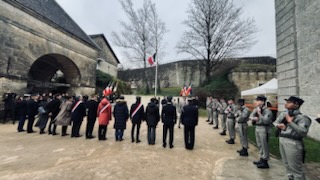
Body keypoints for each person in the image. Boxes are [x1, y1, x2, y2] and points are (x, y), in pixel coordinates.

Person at [273, 96, 311, 180]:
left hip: (293, 142)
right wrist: (279, 126)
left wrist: (290, 122)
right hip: (282, 139)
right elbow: (275, 122)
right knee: (287, 165)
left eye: (289, 102)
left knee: (295, 168)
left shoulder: (302, 118)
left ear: (296, 105)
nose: (286, 104)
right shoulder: (284, 114)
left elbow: (303, 132)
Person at [250, 95, 273, 169]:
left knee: (264, 145)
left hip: (264, 128)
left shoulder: (267, 110)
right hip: (257, 127)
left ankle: (265, 161)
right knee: (259, 144)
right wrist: (253, 118)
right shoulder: (256, 109)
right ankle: (262, 158)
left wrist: (259, 114)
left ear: (262, 102)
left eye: (258, 100)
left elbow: (266, 121)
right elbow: (251, 116)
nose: (256, 102)